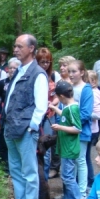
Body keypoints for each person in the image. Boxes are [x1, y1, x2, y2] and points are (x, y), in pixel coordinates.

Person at [4, 34, 48, 199]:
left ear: (31, 49)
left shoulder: (37, 74)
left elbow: (41, 106)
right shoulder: (20, 71)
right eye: (15, 46)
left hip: (25, 130)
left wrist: (31, 127)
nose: (15, 50)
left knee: (29, 171)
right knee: (15, 169)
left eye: (19, 46)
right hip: (10, 127)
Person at [49, 81, 84, 199]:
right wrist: (53, 108)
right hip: (65, 148)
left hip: (70, 149)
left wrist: (60, 127)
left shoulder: (72, 108)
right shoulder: (67, 108)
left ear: (62, 96)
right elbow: (64, 116)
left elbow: (77, 128)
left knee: (68, 177)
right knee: (66, 176)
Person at [67, 60, 94, 199]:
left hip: (81, 132)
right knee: (71, 161)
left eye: (74, 71)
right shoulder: (69, 88)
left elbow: (86, 113)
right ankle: (72, 191)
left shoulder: (86, 89)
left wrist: (71, 123)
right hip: (68, 131)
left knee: (80, 161)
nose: (70, 74)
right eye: (69, 71)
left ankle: (82, 192)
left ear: (82, 73)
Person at [0, 57, 21, 166]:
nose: (12, 70)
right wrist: (2, 105)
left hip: (18, 117)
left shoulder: (21, 83)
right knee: (2, 140)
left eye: (15, 68)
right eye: (11, 67)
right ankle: (4, 165)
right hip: (3, 115)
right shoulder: (2, 83)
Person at [36, 47, 59, 181]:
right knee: (36, 148)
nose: (45, 65)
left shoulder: (53, 76)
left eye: (47, 62)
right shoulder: (35, 75)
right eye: (42, 62)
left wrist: (51, 104)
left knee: (46, 150)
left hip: (49, 116)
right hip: (37, 116)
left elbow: (57, 96)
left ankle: (44, 181)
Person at [87, 70, 100, 187]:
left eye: (86, 80)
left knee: (85, 157)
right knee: (85, 156)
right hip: (90, 128)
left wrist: (81, 112)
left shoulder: (94, 94)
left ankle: (90, 182)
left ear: (93, 81)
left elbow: (97, 115)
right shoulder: (91, 92)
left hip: (91, 129)